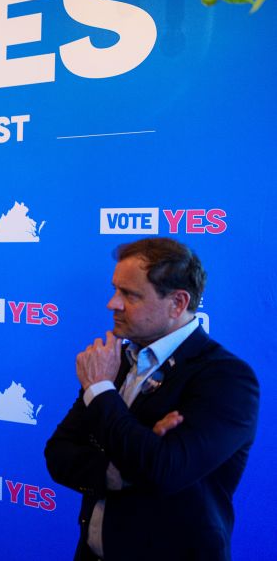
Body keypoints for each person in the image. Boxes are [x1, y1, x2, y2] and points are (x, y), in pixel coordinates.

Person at [44, 237, 258, 561]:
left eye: (129, 294)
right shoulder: (120, 360)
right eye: (116, 289)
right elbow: (58, 453)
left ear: (177, 303)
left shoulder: (227, 378)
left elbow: (163, 471)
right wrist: (121, 469)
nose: (112, 303)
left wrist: (100, 391)